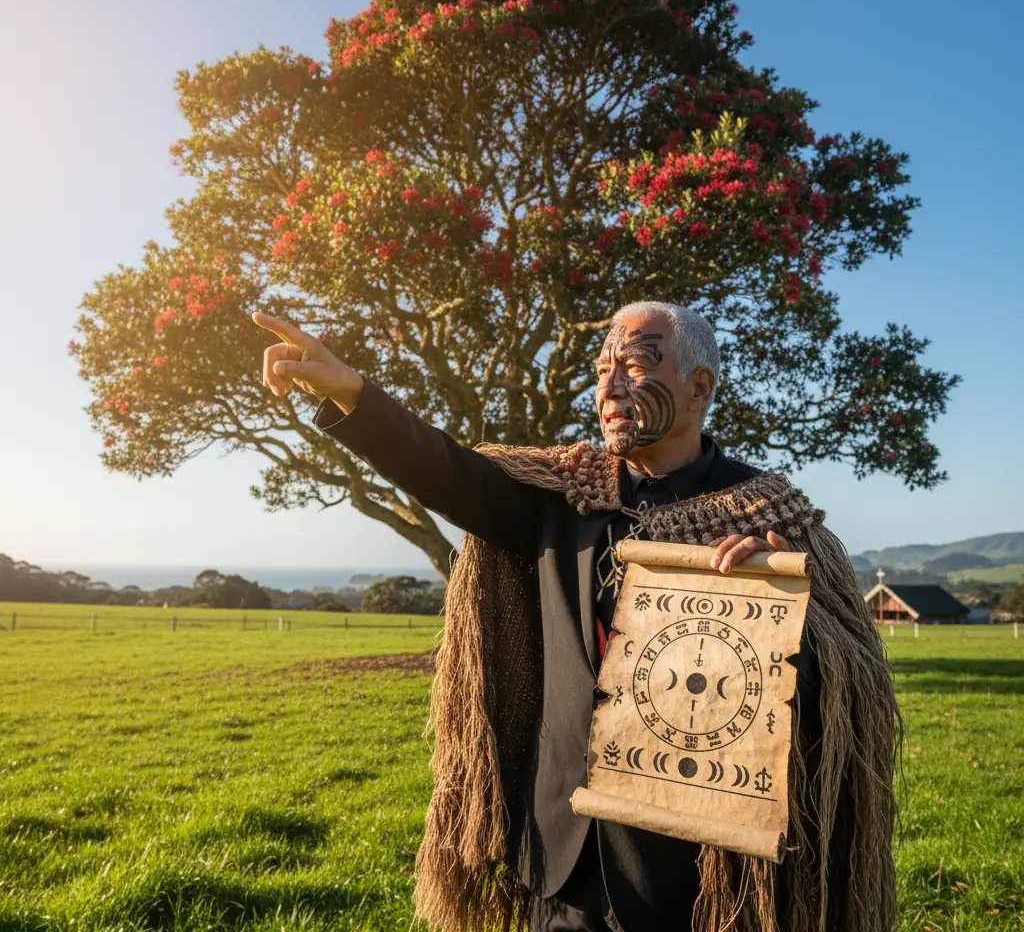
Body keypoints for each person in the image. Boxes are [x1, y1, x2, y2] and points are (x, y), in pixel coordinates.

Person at [252, 301, 899, 932]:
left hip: (693, 872)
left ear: (699, 386)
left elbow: (845, 680)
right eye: (600, 369)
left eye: (638, 365)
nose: (610, 385)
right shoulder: (561, 498)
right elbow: (445, 470)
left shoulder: (767, 516)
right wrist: (352, 392)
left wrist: (786, 605)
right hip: (561, 856)